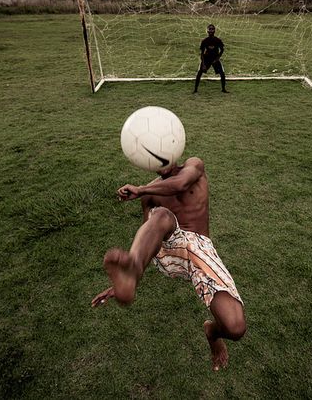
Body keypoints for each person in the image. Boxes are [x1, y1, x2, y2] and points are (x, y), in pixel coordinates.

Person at [91, 157, 246, 371]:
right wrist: (131, 276)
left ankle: (211, 332)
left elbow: (181, 184)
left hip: (200, 249)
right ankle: (131, 273)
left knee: (235, 327)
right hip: (169, 253)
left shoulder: (194, 167)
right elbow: (149, 236)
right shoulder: (149, 192)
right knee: (162, 215)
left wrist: (141, 189)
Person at [194, 24, 228, 94]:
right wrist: (203, 64)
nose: (211, 30)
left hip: (215, 59)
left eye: (212, 29)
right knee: (199, 73)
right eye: (210, 29)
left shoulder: (218, 40)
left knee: (222, 73)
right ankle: (195, 89)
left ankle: (223, 89)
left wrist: (217, 58)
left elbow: (222, 50)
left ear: (215, 31)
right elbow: (202, 53)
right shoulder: (204, 41)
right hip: (207, 59)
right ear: (207, 31)